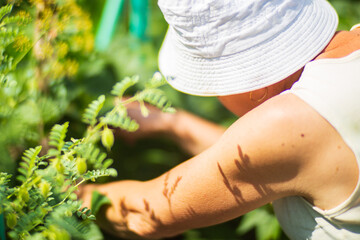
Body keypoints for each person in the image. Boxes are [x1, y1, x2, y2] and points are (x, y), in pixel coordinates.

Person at [78, 0, 360, 239]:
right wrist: (172, 124)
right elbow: (271, 160)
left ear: (253, 83)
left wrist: (65, 191)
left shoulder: (288, 123)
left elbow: (146, 215)